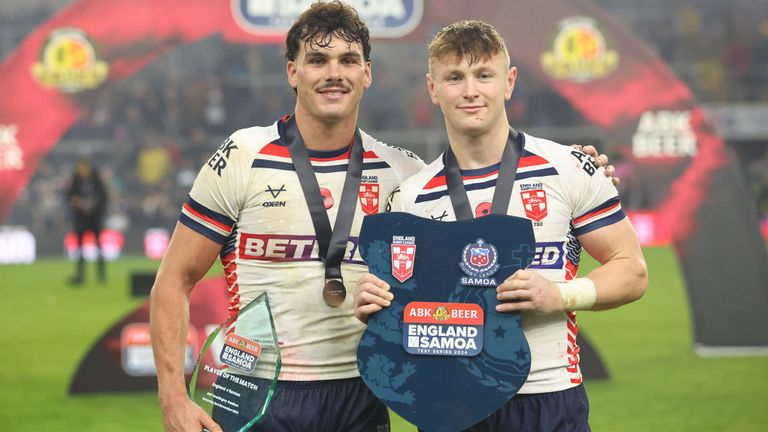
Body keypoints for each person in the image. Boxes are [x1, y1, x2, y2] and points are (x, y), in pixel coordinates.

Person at [354, 20, 648, 431]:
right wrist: (375, 305)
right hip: (449, 401)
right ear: (433, 89)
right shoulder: (410, 196)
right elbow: (404, 307)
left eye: (483, 75)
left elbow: (632, 269)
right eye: (454, 77)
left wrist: (560, 294)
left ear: (508, 82)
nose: (470, 90)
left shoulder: (567, 167)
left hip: (547, 398)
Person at [149, 2, 425, 431]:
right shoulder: (244, 155)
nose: (334, 72)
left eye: (348, 60)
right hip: (256, 391)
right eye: (317, 60)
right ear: (293, 73)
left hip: (361, 392)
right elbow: (173, 281)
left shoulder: (403, 172)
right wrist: (172, 397)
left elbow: (435, 288)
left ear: (366, 73)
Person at [66, 157, 108, 285]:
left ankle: (101, 275)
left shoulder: (95, 179)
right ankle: (80, 275)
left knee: (98, 247)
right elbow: (69, 196)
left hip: (94, 218)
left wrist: (94, 205)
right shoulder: (76, 180)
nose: (82, 170)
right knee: (79, 248)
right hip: (81, 218)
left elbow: (103, 196)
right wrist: (77, 202)